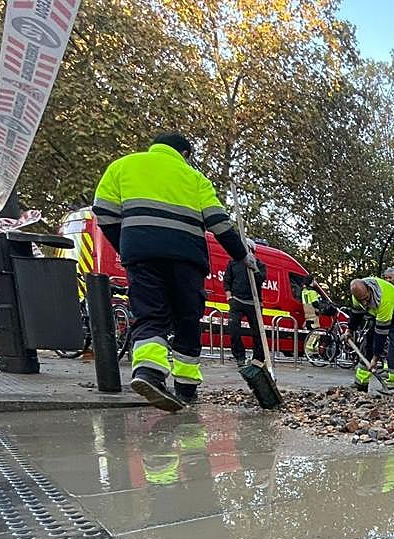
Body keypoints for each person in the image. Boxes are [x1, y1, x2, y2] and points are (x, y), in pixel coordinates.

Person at [93, 132, 252, 411]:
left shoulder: (123, 166)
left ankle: (148, 374)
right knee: (188, 319)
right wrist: (242, 254)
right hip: (186, 258)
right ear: (186, 154)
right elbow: (219, 223)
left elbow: (104, 212)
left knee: (150, 313)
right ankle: (187, 388)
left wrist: (127, 245)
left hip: (142, 257)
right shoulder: (194, 179)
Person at [349, 275, 394, 393]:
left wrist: (375, 358)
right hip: (378, 314)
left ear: (369, 289)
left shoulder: (384, 299)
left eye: (366, 298)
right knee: (368, 342)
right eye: (361, 300)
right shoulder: (357, 296)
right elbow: (356, 315)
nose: (364, 302)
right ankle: (361, 382)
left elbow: (381, 333)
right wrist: (350, 330)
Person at [224, 241, 266, 366]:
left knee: (257, 332)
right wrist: (229, 297)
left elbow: (260, 280)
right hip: (237, 300)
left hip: (254, 302)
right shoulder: (233, 263)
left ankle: (258, 358)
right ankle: (240, 356)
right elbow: (227, 280)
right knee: (233, 328)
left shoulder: (259, 264)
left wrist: (255, 269)